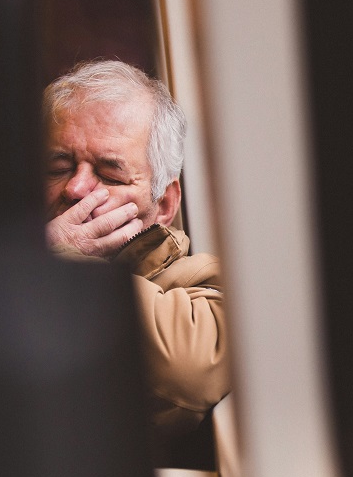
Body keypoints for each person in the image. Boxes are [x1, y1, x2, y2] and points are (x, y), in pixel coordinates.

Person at [43, 59, 228, 447]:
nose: (76, 188)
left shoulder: (207, 284)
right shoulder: (3, 268)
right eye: (58, 167)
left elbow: (188, 371)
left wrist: (59, 257)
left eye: (110, 175)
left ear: (164, 203)